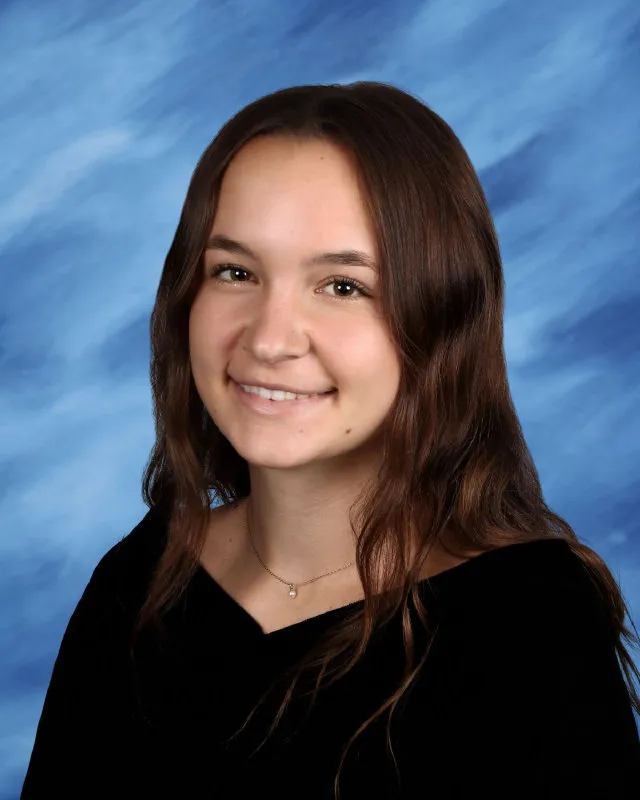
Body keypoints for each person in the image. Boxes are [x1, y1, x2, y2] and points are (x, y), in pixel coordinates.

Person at [20, 81, 640, 799]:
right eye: (235, 272)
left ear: (442, 319)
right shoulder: (141, 581)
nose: (270, 339)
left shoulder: (531, 619)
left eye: (342, 286)